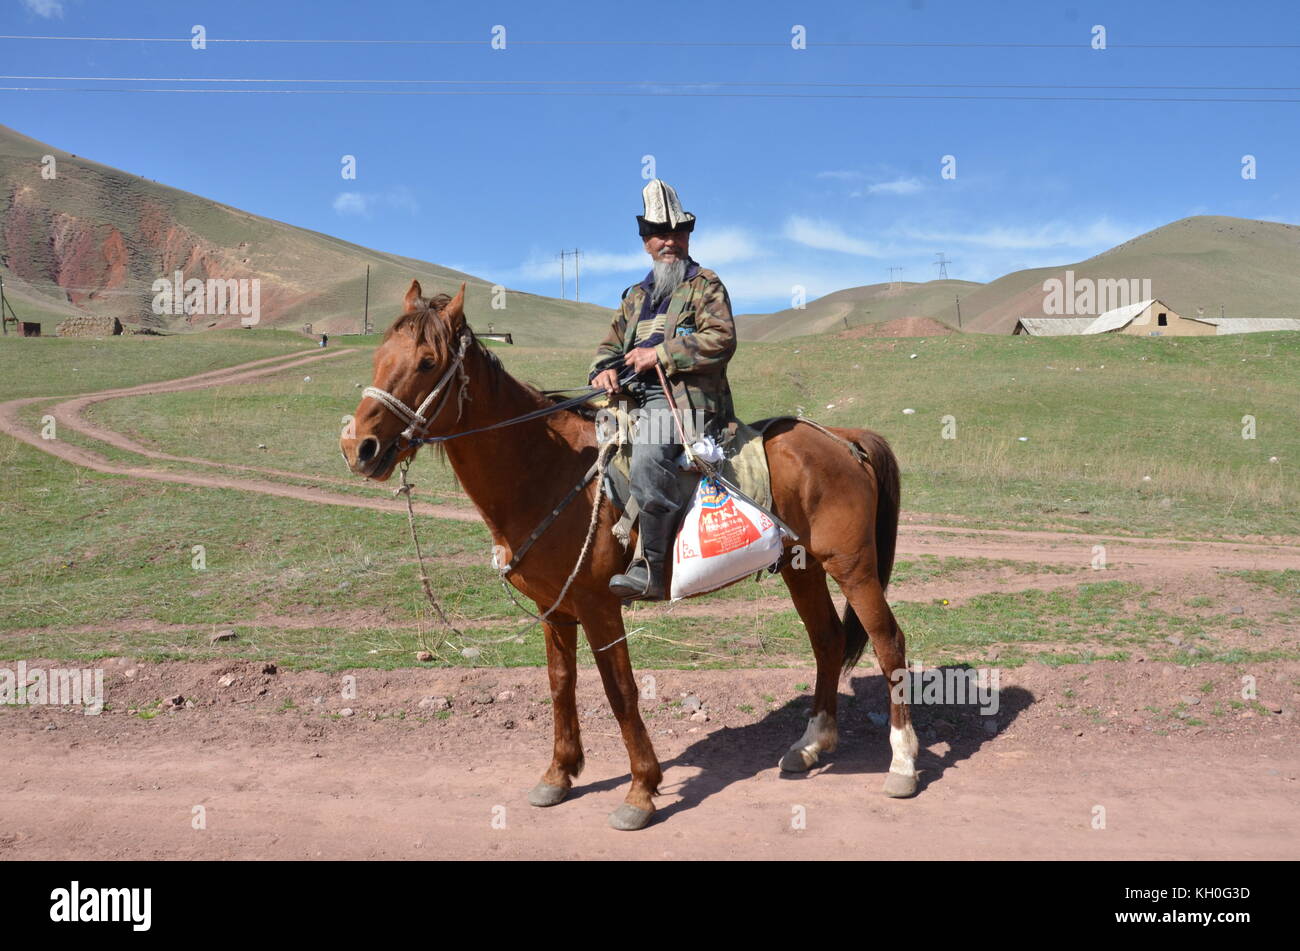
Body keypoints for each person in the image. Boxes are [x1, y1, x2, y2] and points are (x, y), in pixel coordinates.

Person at [588, 179, 738, 601]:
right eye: (658, 234)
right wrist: (603, 371)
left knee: (650, 456)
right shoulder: (635, 296)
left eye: (676, 233)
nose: (668, 241)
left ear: (687, 237)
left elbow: (722, 340)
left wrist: (662, 354)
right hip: (632, 398)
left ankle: (653, 569)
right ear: (646, 243)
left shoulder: (706, 285)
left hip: (687, 402)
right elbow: (608, 347)